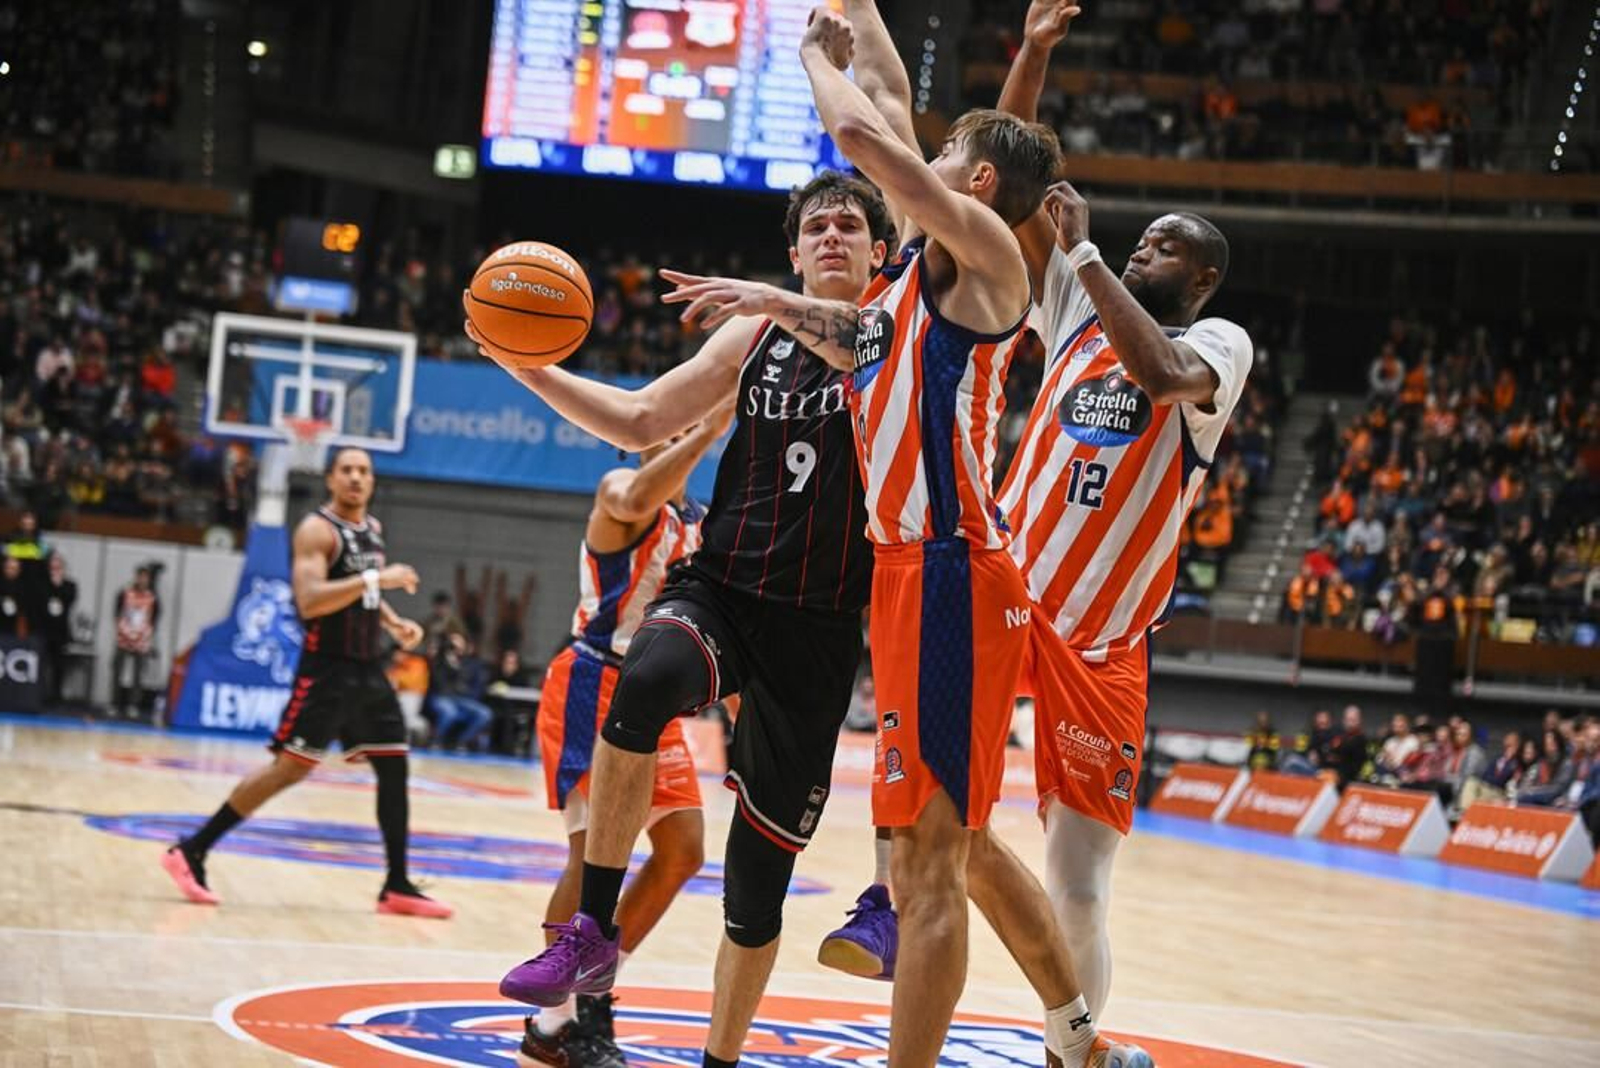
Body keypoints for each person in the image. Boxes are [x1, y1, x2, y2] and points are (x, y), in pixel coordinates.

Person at [655, 5, 1146, 1064]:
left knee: (926, 869)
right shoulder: (909, 286)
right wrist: (773, 300)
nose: (916, 158)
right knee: (956, 849)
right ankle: (1081, 1041)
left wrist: (806, 57)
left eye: (945, 155)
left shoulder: (975, 254)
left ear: (968, 187)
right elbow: (883, 109)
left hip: (954, 573)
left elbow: (866, 133)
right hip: (914, 580)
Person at [468, 168, 887, 1067]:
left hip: (818, 631)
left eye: (849, 225)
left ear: (879, 252)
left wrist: (775, 299)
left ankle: (720, 1061)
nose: (831, 236)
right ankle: (588, 931)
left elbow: (863, 347)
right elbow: (641, 417)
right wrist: (529, 367)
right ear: (793, 250)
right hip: (724, 589)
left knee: (754, 892)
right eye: (815, 226)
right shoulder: (755, 331)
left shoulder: (899, 332)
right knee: (647, 678)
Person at [160, 447, 450, 918]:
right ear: (330, 479)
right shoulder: (317, 530)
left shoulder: (371, 530)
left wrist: (392, 623)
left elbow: (363, 591)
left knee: (394, 766)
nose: (356, 478)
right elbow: (311, 600)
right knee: (288, 770)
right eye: (347, 470)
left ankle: (396, 883)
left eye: (364, 471)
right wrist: (379, 577)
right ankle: (191, 850)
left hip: (367, 670)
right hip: (327, 671)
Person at [522, 414, 726, 1068]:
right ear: (635, 444)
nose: (676, 439)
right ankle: (558, 1021)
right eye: (664, 432)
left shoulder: (701, 520)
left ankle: (592, 994)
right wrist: (711, 423)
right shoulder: (620, 492)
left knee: (683, 851)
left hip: (655, 694)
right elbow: (639, 495)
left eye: (684, 430)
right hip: (592, 680)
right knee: (591, 863)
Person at [427, 631, 494, 751]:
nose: (455, 646)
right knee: (449, 712)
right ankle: (436, 741)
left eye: (458, 642)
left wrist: (456, 664)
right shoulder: (439, 659)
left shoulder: (469, 662)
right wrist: (446, 659)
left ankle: (460, 742)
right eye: (452, 642)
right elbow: (437, 680)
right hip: (442, 696)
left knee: (485, 713)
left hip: (462, 698)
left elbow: (473, 684)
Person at [110, 565, 159, 719]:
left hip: (141, 641)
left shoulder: (152, 598)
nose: (143, 580)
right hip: (123, 639)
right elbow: (117, 615)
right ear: (136, 577)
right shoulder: (125, 593)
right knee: (117, 671)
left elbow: (153, 620)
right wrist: (127, 632)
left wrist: (141, 635)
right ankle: (114, 703)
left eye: (146, 578)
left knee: (138, 675)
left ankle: (133, 705)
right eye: (141, 577)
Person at [36, 553, 77, 707]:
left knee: (58, 665)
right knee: (42, 664)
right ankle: (40, 694)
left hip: (61, 632)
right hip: (45, 631)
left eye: (58, 567)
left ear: (63, 569)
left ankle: (56, 696)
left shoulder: (70, 585)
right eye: (53, 567)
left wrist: (58, 585)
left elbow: (69, 599)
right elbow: (41, 600)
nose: (55, 570)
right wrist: (52, 584)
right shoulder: (43, 584)